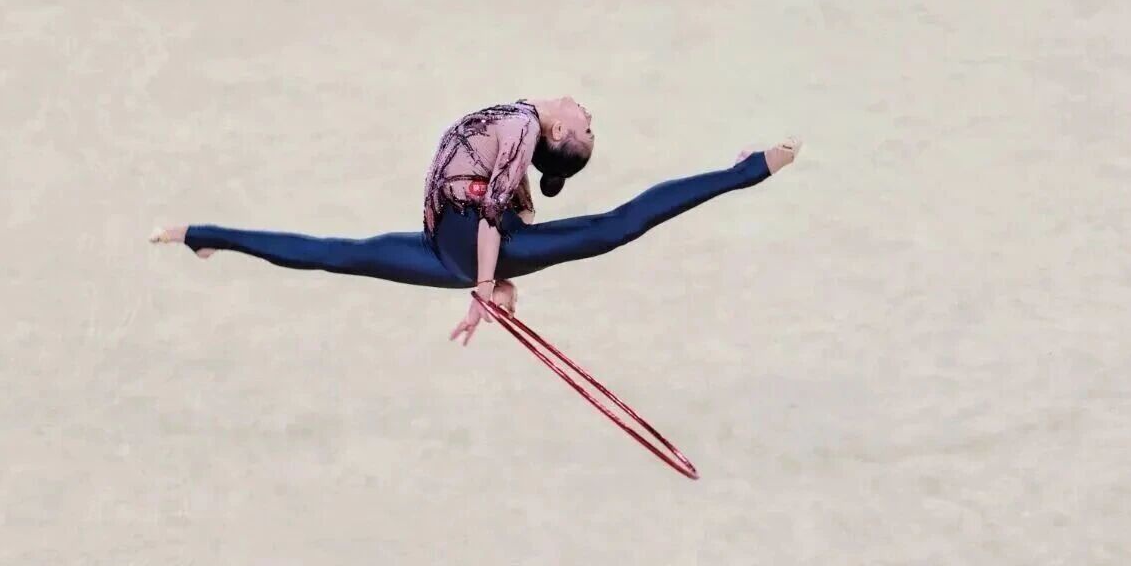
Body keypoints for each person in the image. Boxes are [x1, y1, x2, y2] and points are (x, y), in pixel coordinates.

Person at [150, 97, 800, 344]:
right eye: (591, 128)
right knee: (614, 226)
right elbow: (497, 212)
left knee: (334, 253)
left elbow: (496, 212)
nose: (589, 116)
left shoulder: (519, 125)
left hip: (448, 240)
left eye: (587, 127)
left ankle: (202, 237)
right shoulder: (519, 125)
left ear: (558, 132)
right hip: (453, 241)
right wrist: (491, 283)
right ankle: (744, 171)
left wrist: (488, 284)